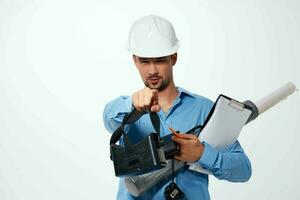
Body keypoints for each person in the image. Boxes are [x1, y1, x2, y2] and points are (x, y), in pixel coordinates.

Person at [103, 15, 252, 200]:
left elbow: (243, 169)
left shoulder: (204, 110)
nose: (152, 71)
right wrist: (133, 105)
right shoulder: (126, 110)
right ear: (135, 60)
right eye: (145, 61)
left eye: (159, 60)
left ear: (173, 58)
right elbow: (108, 117)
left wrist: (202, 154)